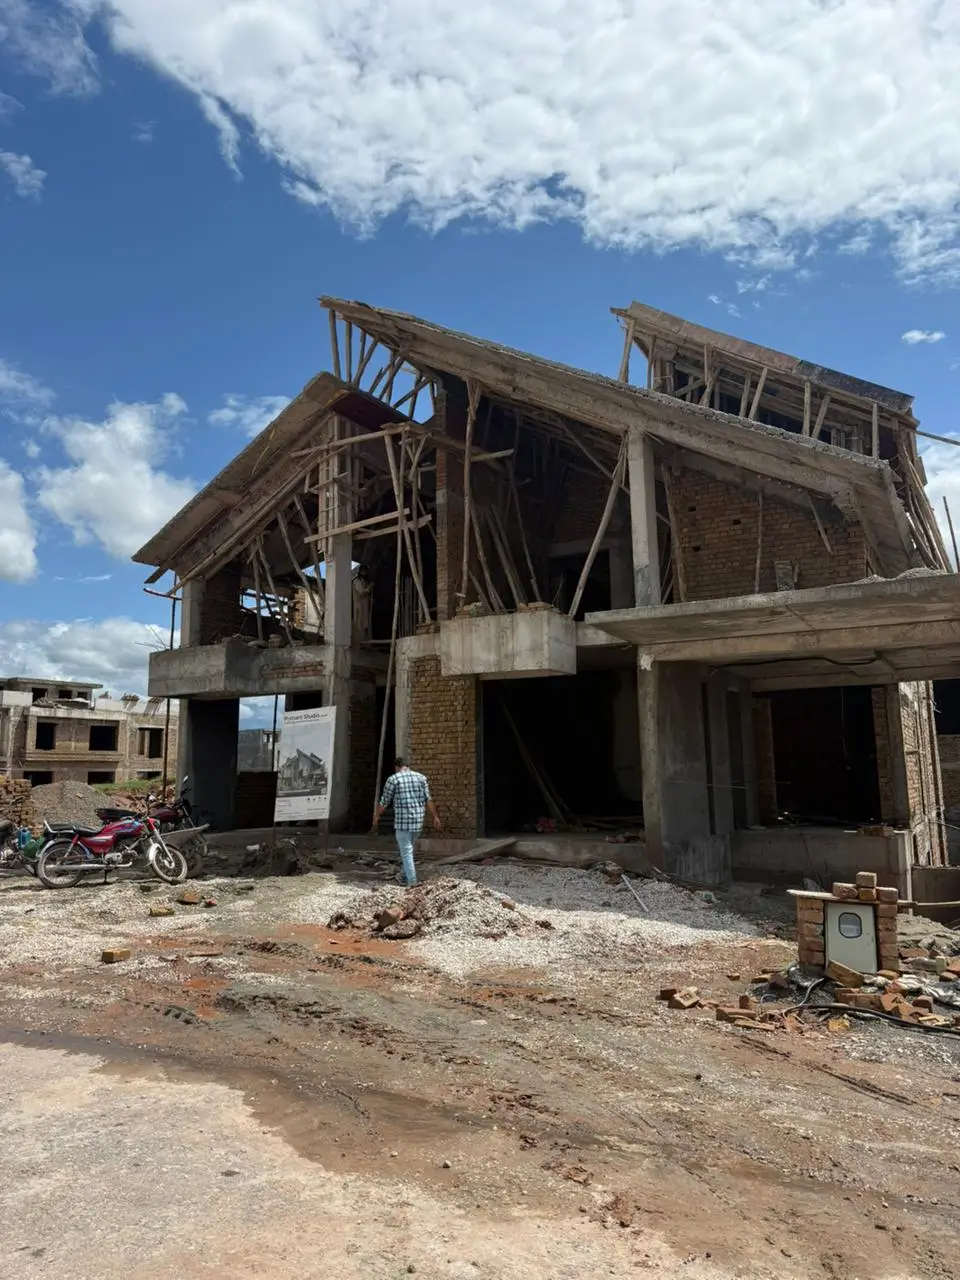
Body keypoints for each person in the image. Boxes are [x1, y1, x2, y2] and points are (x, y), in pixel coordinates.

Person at [373, 757, 441, 887]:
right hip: (418, 821)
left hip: (403, 822)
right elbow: (428, 799)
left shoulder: (393, 779)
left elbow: (384, 801)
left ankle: (413, 882)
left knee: (406, 852)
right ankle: (404, 876)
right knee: (408, 850)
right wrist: (435, 817)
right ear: (408, 766)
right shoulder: (421, 778)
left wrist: (377, 815)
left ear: (396, 767)